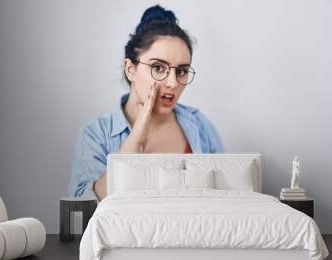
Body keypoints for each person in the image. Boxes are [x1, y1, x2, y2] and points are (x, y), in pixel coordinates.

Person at [68, 5, 224, 201]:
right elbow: (82, 212)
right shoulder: (96, 135)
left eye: (181, 71)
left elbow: (223, 199)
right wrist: (135, 139)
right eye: (158, 67)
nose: (173, 83)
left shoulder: (200, 125)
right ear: (130, 69)